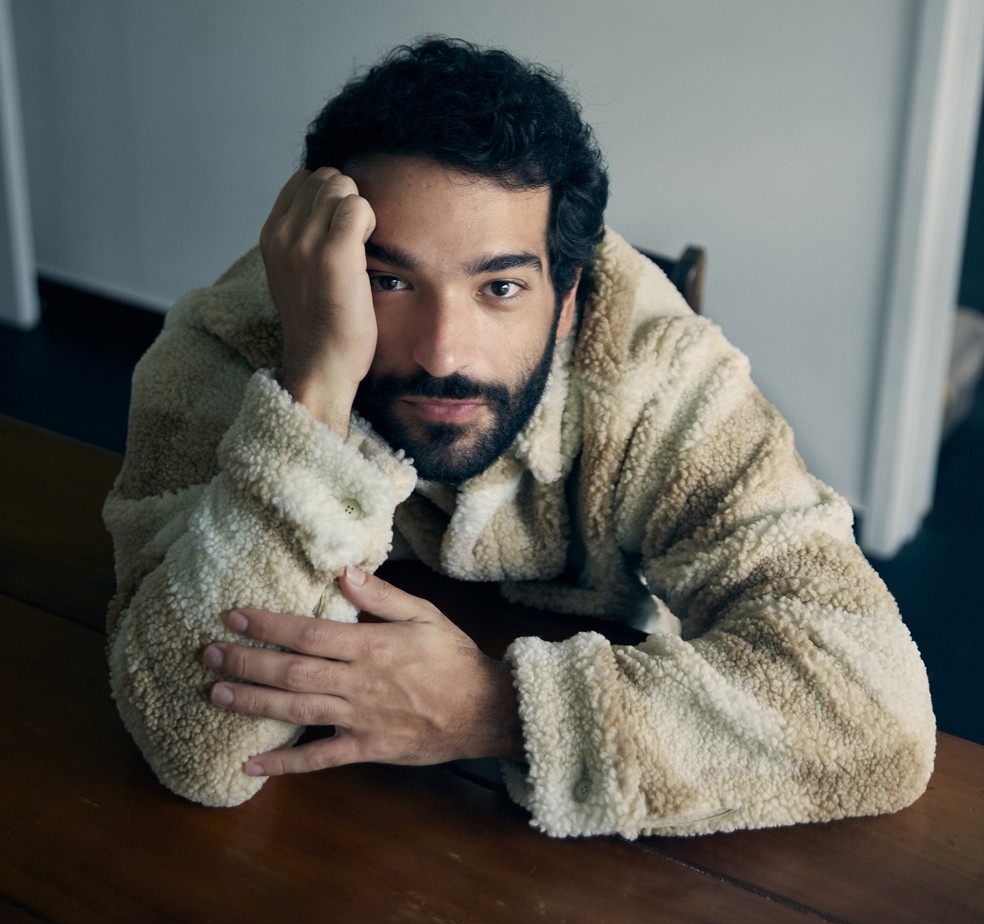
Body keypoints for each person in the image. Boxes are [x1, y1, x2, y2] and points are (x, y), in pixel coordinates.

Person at [103, 37, 935, 838]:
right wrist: (313, 389)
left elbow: (877, 712)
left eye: (499, 286)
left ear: (567, 295)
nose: (443, 353)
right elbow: (199, 745)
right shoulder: (238, 338)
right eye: (389, 280)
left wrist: (490, 710)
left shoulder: (659, 372)